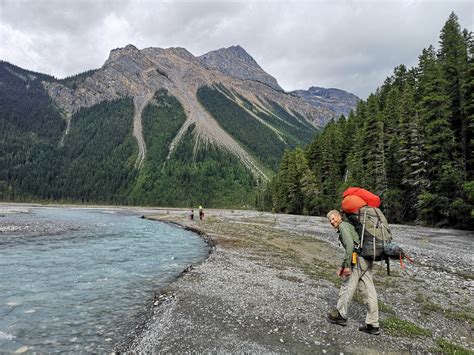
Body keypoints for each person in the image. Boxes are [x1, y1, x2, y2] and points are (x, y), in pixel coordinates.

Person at [326, 210, 380, 335]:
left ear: (340, 217)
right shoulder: (348, 226)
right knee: (368, 290)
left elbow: (350, 245)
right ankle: (373, 324)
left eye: (334, 219)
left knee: (347, 286)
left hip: (357, 260)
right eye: (330, 221)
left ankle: (341, 315)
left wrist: (346, 265)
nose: (332, 222)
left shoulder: (343, 226)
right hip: (366, 259)